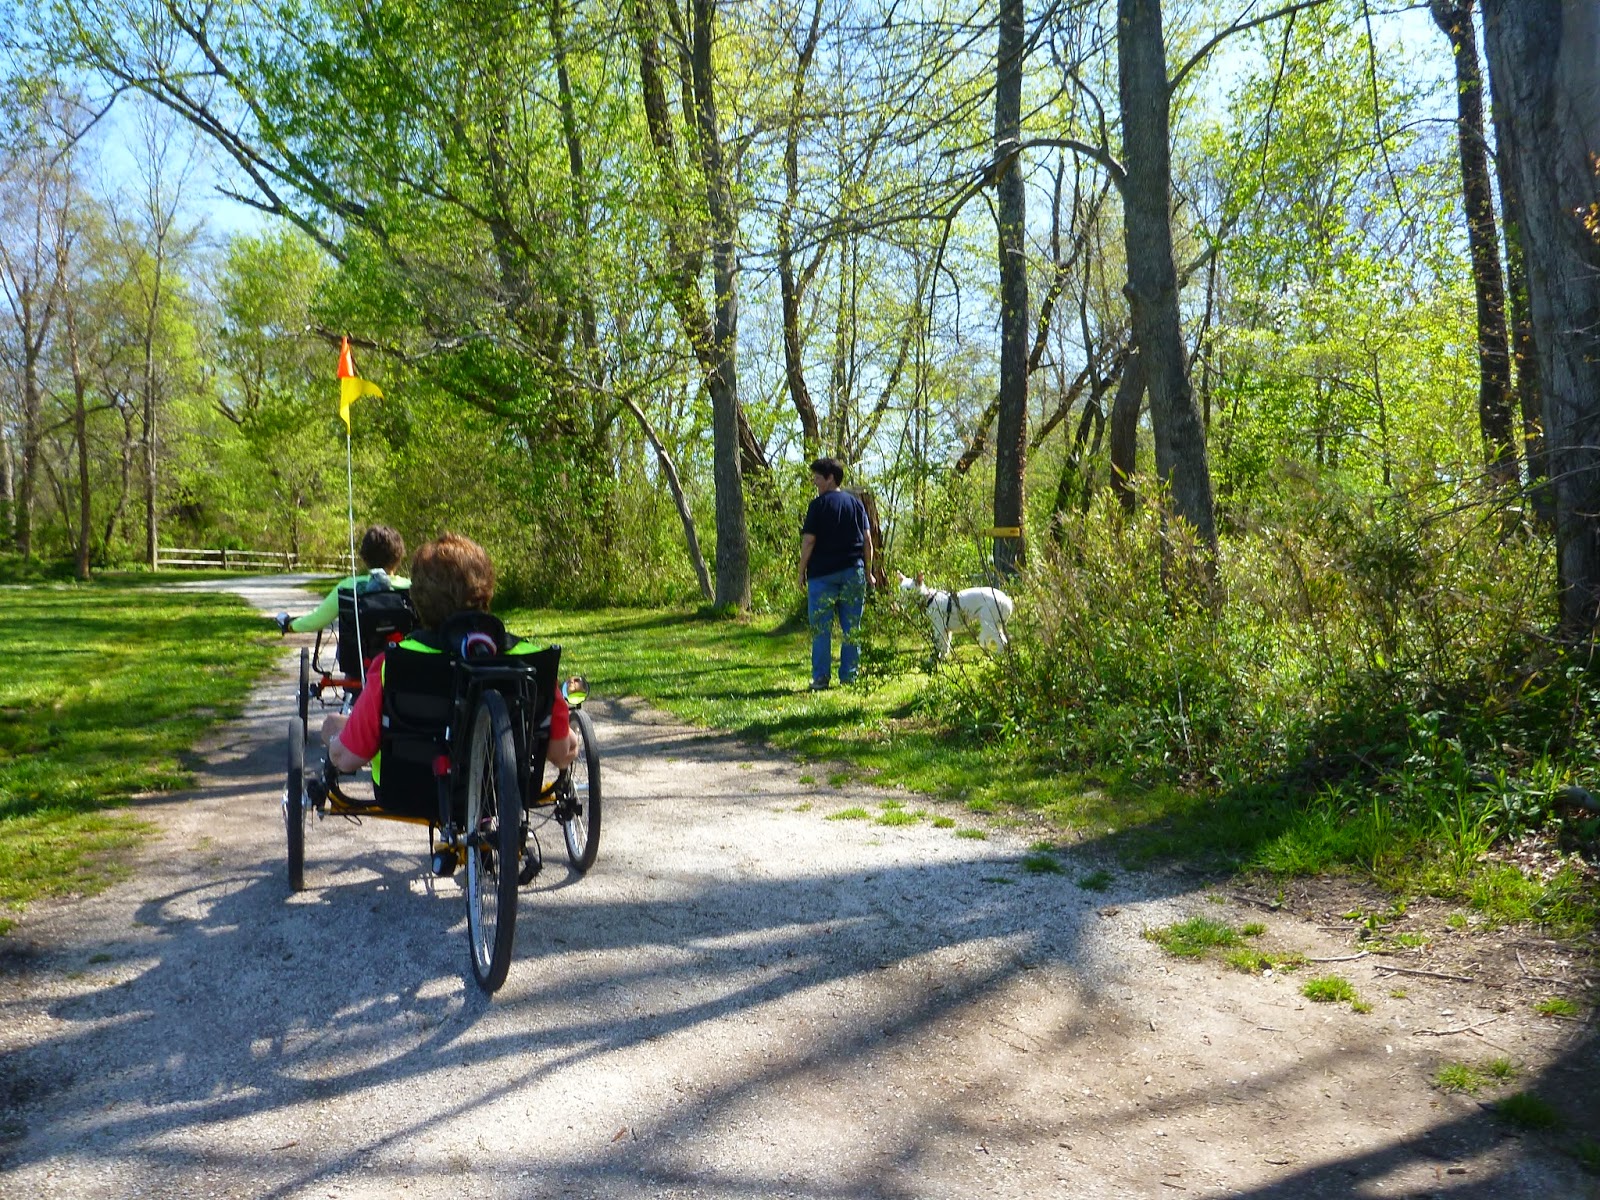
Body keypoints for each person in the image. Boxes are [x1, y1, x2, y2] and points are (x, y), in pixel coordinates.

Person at [323, 532, 579, 777]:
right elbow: (559, 751)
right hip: (504, 795)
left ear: (418, 598)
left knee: (334, 723)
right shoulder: (531, 660)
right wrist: (572, 739)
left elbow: (348, 759)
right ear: (487, 589)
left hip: (410, 791)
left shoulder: (393, 663)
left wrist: (333, 739)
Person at [798, 457, 873, 690]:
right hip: (853, 572)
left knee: (821, 628)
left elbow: (809, 541)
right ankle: (849, 677)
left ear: (830, 478)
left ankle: (821, 678)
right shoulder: (856, 504)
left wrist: (801, 571)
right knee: (852, 627)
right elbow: (867, 541)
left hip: (822, 575)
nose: (815, 482)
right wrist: (868, 572)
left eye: (818, 478)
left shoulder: (817, 506)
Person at [275, 524, 410, 634]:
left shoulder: (349, 586)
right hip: (401, 660)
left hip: (358, 662)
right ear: (398, 557)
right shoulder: (411, 587)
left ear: (364, 557)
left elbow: (318, 619)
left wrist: (291, 625)